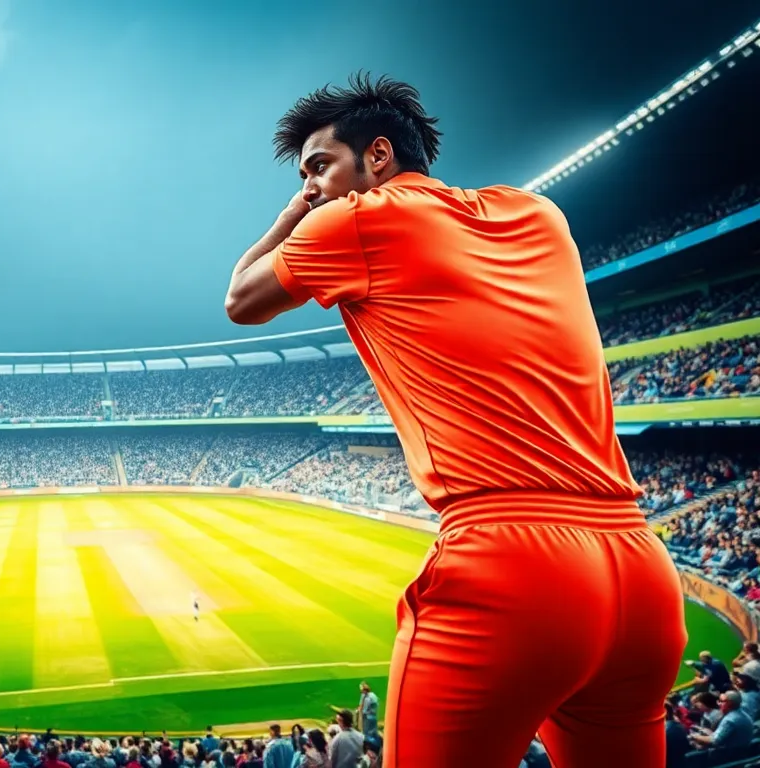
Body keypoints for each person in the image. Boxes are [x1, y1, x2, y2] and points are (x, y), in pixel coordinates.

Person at [222, 73, 687, 768]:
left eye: (319, 166)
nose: (312, 186)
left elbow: (241, 299)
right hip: (642, 573)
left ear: (378, 157)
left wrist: (296, 214)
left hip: (516, 566)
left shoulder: (358, 220)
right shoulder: (538, 214)